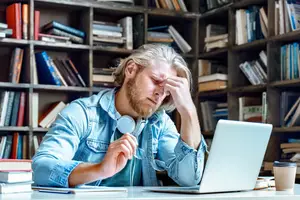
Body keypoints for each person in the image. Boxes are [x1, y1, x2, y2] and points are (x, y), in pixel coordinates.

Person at [32, 44, 207, 188]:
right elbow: (41, 169)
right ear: (131, 69)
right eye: (155, 81)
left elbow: (189, 179)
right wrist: (99, 169)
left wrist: (189, 111)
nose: (159, 95)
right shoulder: (82, 113)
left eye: (166, 92)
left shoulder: (159, 123)